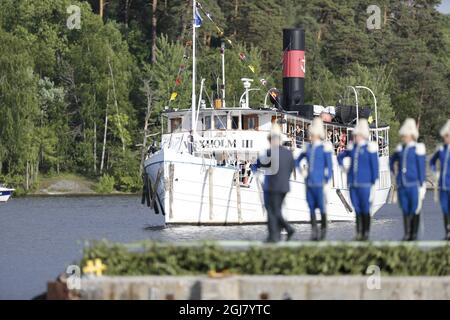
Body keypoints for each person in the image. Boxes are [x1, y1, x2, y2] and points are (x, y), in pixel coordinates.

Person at [253, 124, 295, 242]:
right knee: (276, 210)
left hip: (271, 187)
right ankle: (274, 235)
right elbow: (291, 168)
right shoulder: (288, 153)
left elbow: (256, 165)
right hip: (284, 187)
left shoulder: (268, 152)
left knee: (271, 210)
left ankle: (283, 231)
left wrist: (257, 174)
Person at [338, 119, 379, 241]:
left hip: (365, 183)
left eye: (357, 135)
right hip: (353, 183)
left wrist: (373, 184)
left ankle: (365, 233)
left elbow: (375, 168)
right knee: (356, 208)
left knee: (365, 208)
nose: (355, 137)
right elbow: (340, 156)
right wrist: (343, 166)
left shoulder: (370, 149)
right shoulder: (352, 148)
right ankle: (358, 233)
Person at [390, 118, 426, 241]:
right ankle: (407, 234)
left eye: (405, 135)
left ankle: (414, 234)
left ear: (411, 135)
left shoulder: (418, 148)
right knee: (405, 209)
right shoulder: (400, 149)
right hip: (402, 184)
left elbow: (421, 169)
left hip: (413, 184)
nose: (403, 137)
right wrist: (393, 171)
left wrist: (422, 185)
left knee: (414, 209)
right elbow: (392, 160)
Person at [297, 118, 333, 240]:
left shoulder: (324, 149)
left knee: (322, 207)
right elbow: (297, 160)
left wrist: (327, 180)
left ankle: (323, 230)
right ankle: (314, 231)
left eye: (311, 134)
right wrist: (301, 170)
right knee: (311, 207)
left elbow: (329, 167)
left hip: (320, 183)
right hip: (310, 182)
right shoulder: (307, 148)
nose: (309, 136)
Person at [430, 120, 450, 240]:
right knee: (444, 209)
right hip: (443, 185)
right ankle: (447, 232)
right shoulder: (441, 150)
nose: (445, 138)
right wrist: (435, 172)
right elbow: (432, 162)